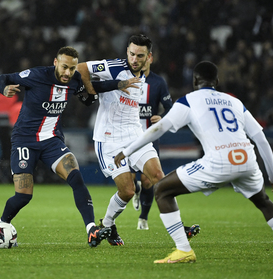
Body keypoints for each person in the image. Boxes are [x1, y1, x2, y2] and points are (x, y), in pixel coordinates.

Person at [114, 61, 273, 264]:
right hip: (247, 160)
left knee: (162, 190)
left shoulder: (188, 101)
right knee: (263, 201)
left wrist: (127, 150)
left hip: (219, 162)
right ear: (217, 81)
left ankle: (183, 250)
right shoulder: (235, 102)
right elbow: (261, 139)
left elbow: (158, 129)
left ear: (195, 80)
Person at [0, 46, 137, 248]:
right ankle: (2, 224)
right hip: (25, 141)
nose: (68, 73)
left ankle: (91, 230)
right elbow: (3, 77)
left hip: (52, 141)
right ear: (55, 63)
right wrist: (4, 88)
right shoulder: (36, 75)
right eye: (64, 67)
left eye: (72, 68)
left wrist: (119, 84)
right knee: (23, 196)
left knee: (76, 177)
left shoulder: (75, 80)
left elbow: (95, 87)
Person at [77, 34, 198, 245]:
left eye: (140, 55)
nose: (134, 59)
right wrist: (92, 92)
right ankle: (106, 225)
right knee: (128, 190)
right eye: (132, 54)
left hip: (135, 136)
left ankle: (178, 227)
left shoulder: (146, 76)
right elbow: (80, 68)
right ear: (127, 52)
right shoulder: (113, 66)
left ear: (149, 57)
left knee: (159, 176)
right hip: (109, 139)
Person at [131, 54, 173, 230]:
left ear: (150, 59)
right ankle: (135, 189)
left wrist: (161, 117)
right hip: (127, 135)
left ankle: (143, 218)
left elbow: (171, 107)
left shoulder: (158, 82)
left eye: (143, 57)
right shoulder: (126, 79)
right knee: (130, 178)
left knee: (148, 181)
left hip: (149, 137)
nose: (139, 61)